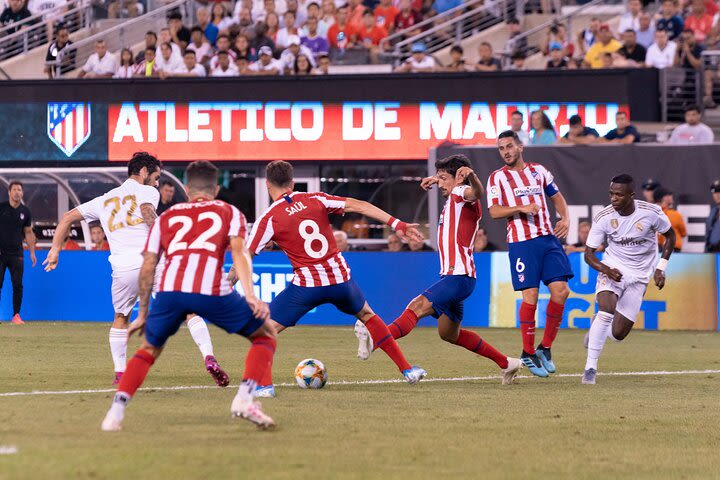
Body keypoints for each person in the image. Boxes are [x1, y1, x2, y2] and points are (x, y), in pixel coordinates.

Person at [100, 161, 277, 432]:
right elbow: (240, 254)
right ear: (216, 188)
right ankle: (243, 399)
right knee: (265, 335)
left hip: (171, 291)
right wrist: (251, 296)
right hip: (211, 290)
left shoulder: (169, 217)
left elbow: (149, 265)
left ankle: (114, 414)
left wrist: (145, 313)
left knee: (148, 349)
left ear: (185, 188)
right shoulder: (230, 212)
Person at [241, 160, 427, 397]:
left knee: (263, 330)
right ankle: (408, 370)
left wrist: (228, 284)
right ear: (293, 182)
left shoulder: (269, 218)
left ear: (267, 185)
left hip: (307, 286)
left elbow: (245, 258)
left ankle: (265, 387)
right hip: (340, 280)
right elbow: (358, 205)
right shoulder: (316, 199)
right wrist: (397, 223)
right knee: (368, 315)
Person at [44, 153, 228, 387]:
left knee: (121, 318)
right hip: (151, 263)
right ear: (143, 172)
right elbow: (148, 212)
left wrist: (55, 250)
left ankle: (120, 373)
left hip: (122, 268)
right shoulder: (147, 191)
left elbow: (67, 217)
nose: (157, 182)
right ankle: (209, 356)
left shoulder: (105, 199)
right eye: (156, 177)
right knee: (189, 309)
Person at [361, 156, 522, 385]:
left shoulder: (460, 192)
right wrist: (436, 179)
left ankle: (375, 339)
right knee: (449, 334)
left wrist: (471, 177)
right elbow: (458, 186)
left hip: (458, 277)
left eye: (444, 179)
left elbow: (476, 192)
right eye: (440, 179)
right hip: (456, 277)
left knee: (415, 307)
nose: (441, 184)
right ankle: (507, 363)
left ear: (459, 178)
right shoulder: (454, 195)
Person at [488, 131, 573, 377]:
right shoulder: (497, 178)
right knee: (531, 296)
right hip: (522, 243)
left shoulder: (539, 171)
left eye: (509, 146)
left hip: (548, 239)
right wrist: (520, 208)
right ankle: (527, 353)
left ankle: (544, 348)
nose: (505, 151)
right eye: (501, 148)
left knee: (561, 291)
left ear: (520, 147)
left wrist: (565, 218)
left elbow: (557, 197)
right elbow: (493, 211)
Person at [581, 174, 675, 385]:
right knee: (606, 309)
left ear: (631, 196)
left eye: (619, 195)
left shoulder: (651, 213)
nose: (613, 198)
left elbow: (671, 236)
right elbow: (589, 255)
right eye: (611, 194)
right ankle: (590, 369)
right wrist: (606, 269)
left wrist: (660, 268)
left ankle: (596, 328)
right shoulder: (603, 217)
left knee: (618, 333)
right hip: (613, 266)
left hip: (640, 274)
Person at [0, 181, 36, 325]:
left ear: (22, 193)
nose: (17, 192)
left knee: (17, 285)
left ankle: (16, 315)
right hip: (1, 254)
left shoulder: (25, 212)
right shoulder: (1, 208)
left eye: (19, 190)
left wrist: (32, 252)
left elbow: (28, 232)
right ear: (9, 192)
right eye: (14, 189)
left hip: (17, 254)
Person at [653, 187, 686, 252]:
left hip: (654, 249)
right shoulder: (675, 215)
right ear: (664, 198)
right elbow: (683, 233)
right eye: (669, 194)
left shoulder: (650, 214)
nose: (671, 196)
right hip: (673, 250)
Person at [705, 179, 720, 252]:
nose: (716, 195)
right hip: (712, 252)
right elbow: (709, 233)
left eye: (719, 192)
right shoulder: (713, 211)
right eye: (714, 193)